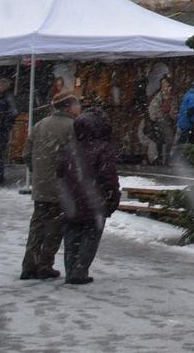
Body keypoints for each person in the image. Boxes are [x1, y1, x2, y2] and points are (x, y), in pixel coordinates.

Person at [56, 108, 120, 285]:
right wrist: (113, 196)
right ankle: (80, 270)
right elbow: (109, 177)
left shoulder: (69, 147)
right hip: (94, 200)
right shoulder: (103, 149)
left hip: (71, 199)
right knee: (90, 236)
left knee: (71, 235)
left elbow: (60, 172)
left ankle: (70, 269)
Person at [20, 93, 79, 280]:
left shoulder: (40, 125)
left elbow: (26, 154)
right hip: (60, 186)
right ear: (69, 106)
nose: (80, 108)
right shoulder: (73, 127)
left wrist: (37, 171)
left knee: (37, 225)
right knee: (55, 228)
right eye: (77, 104)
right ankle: (45, 265)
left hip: (41, 184)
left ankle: (29, 265)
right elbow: (77, 158)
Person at [174, 81, 194, 160]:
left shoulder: (187, 94)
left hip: (182, 122)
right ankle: (180, 158)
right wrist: (193, 122)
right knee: (187, 141)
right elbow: (190, 110)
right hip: (187, 123)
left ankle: (178, 158)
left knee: (182, 140)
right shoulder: (193, 96)